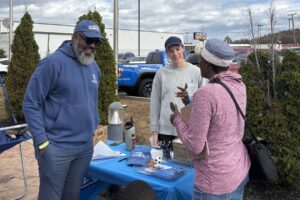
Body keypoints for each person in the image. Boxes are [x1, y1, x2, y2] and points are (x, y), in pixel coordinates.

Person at [22, 20, 103, 200]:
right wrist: (42, 142)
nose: (91, 45)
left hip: (84, 148)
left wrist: (92, 128)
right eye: (88, 40)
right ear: (75, 37)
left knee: (72, 195)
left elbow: (90, 101)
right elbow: (30, 103)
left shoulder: (94, 67)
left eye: (96, 42)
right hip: (56, 147)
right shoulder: (52, 63)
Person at [170, 39, 250, 199]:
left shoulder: (206, 94)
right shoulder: (239, 85)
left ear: (207, 63)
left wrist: (178, 119)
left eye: (201, 60)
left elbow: (195, 146)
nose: (198, 63)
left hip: (214, 181)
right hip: (239, 169)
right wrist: (191, 101)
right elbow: (221, 110)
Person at [150, 36, 205, 149]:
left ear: (183, 48)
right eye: (171, 51)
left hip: (189, 130)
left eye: (177, 49)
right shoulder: (161, 74)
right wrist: (154, 132)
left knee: (187, 165)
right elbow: (155, 104)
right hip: (166, 131)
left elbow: (204, 103)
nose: (175, 53)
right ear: (167, 53)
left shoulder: (196, 72)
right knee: (165, 165)